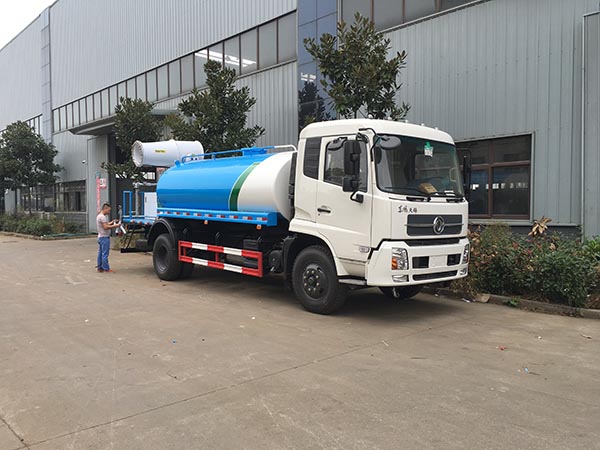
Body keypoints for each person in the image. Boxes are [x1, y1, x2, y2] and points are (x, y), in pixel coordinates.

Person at [96, 202, 120, 273]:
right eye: (109, 210)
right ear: (105, 209)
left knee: (100, 253)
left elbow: (105, 224)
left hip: (100, 237)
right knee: (105, 254)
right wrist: (115, 226)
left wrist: (112, 222)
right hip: (104, 237)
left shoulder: (99, 216)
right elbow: (106, 227)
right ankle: (106, 268)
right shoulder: (102, 217)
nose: (109, 212)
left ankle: (100, 267)